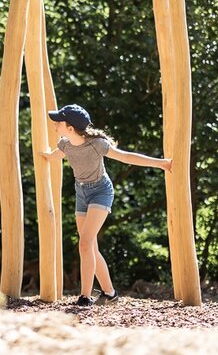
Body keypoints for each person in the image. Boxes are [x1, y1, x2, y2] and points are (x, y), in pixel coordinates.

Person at [42, 104, 172, 307]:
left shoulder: (97, 144)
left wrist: (160, 163)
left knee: (85, 243)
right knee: (90, 247)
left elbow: (126, 156)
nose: (55, 125)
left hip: (101, 192)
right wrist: (43, 156)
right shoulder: (65, 144)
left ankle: (85, 297)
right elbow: (54, 156)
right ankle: (110, 293)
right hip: (81, 193)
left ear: (70, 128)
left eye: (59, 122)